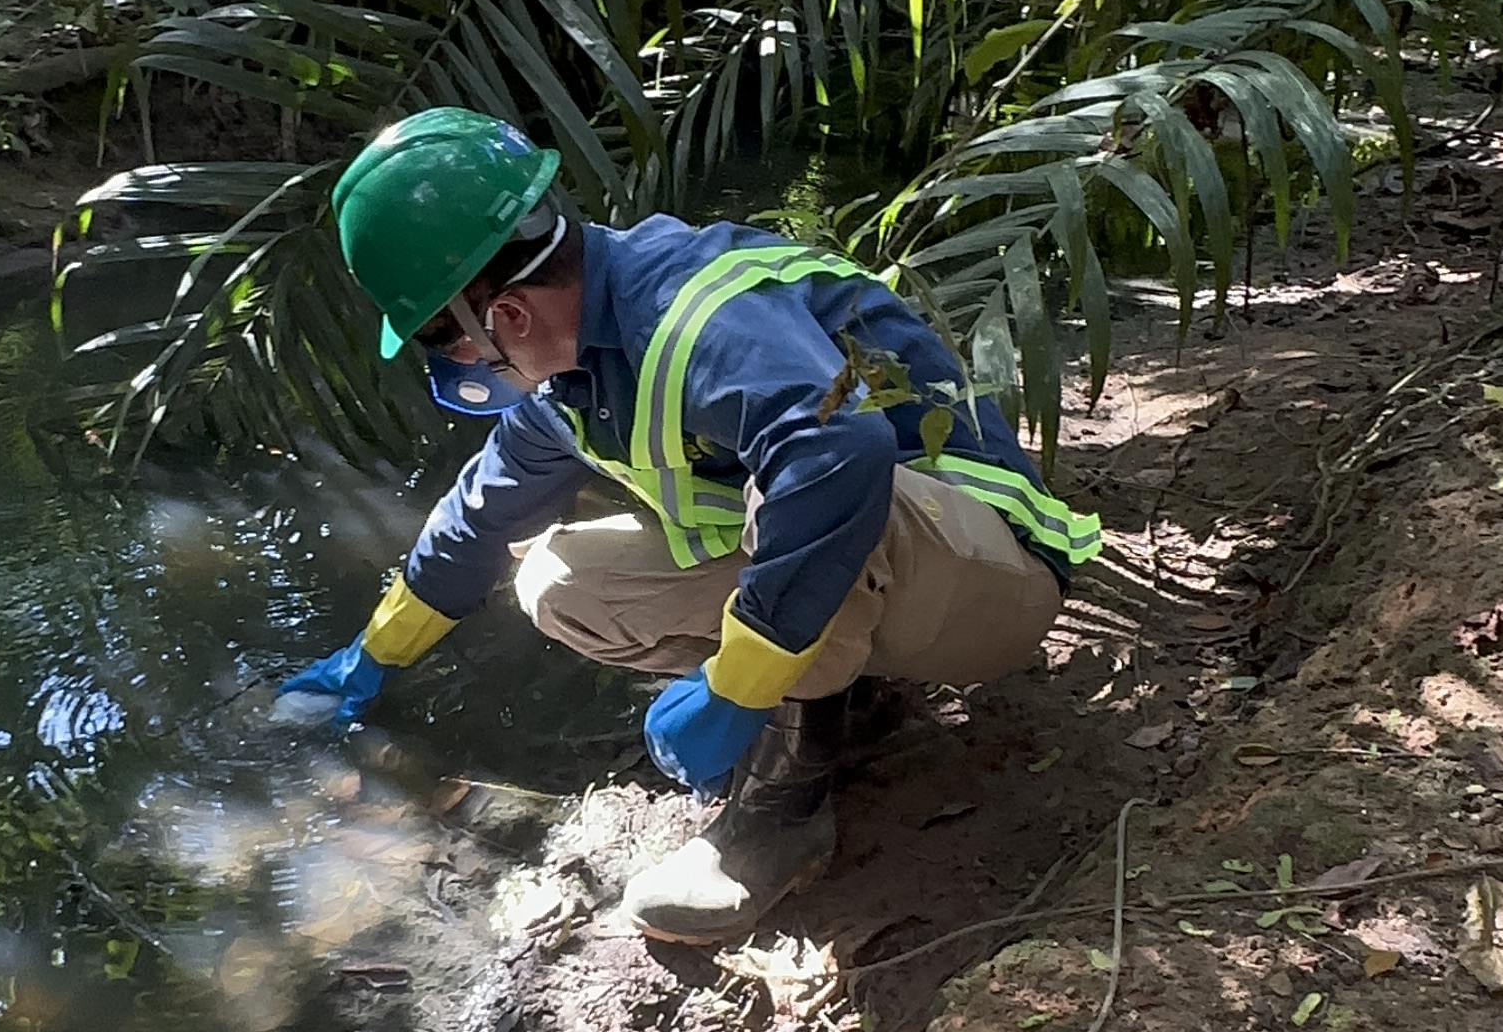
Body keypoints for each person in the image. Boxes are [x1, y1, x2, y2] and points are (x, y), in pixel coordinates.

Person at [280, 108, 1102, 944]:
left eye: (438, 335)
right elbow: (477, 518)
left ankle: (778, 820)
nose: (452, 360)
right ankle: (840, 704)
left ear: (507, 317)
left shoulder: (693, 314)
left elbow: (836, 453)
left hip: (992, 582)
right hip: (906, 573)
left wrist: (735, 681)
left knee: (811, 490)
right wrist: (369, 657)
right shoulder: (582, 372)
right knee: (560, 583)